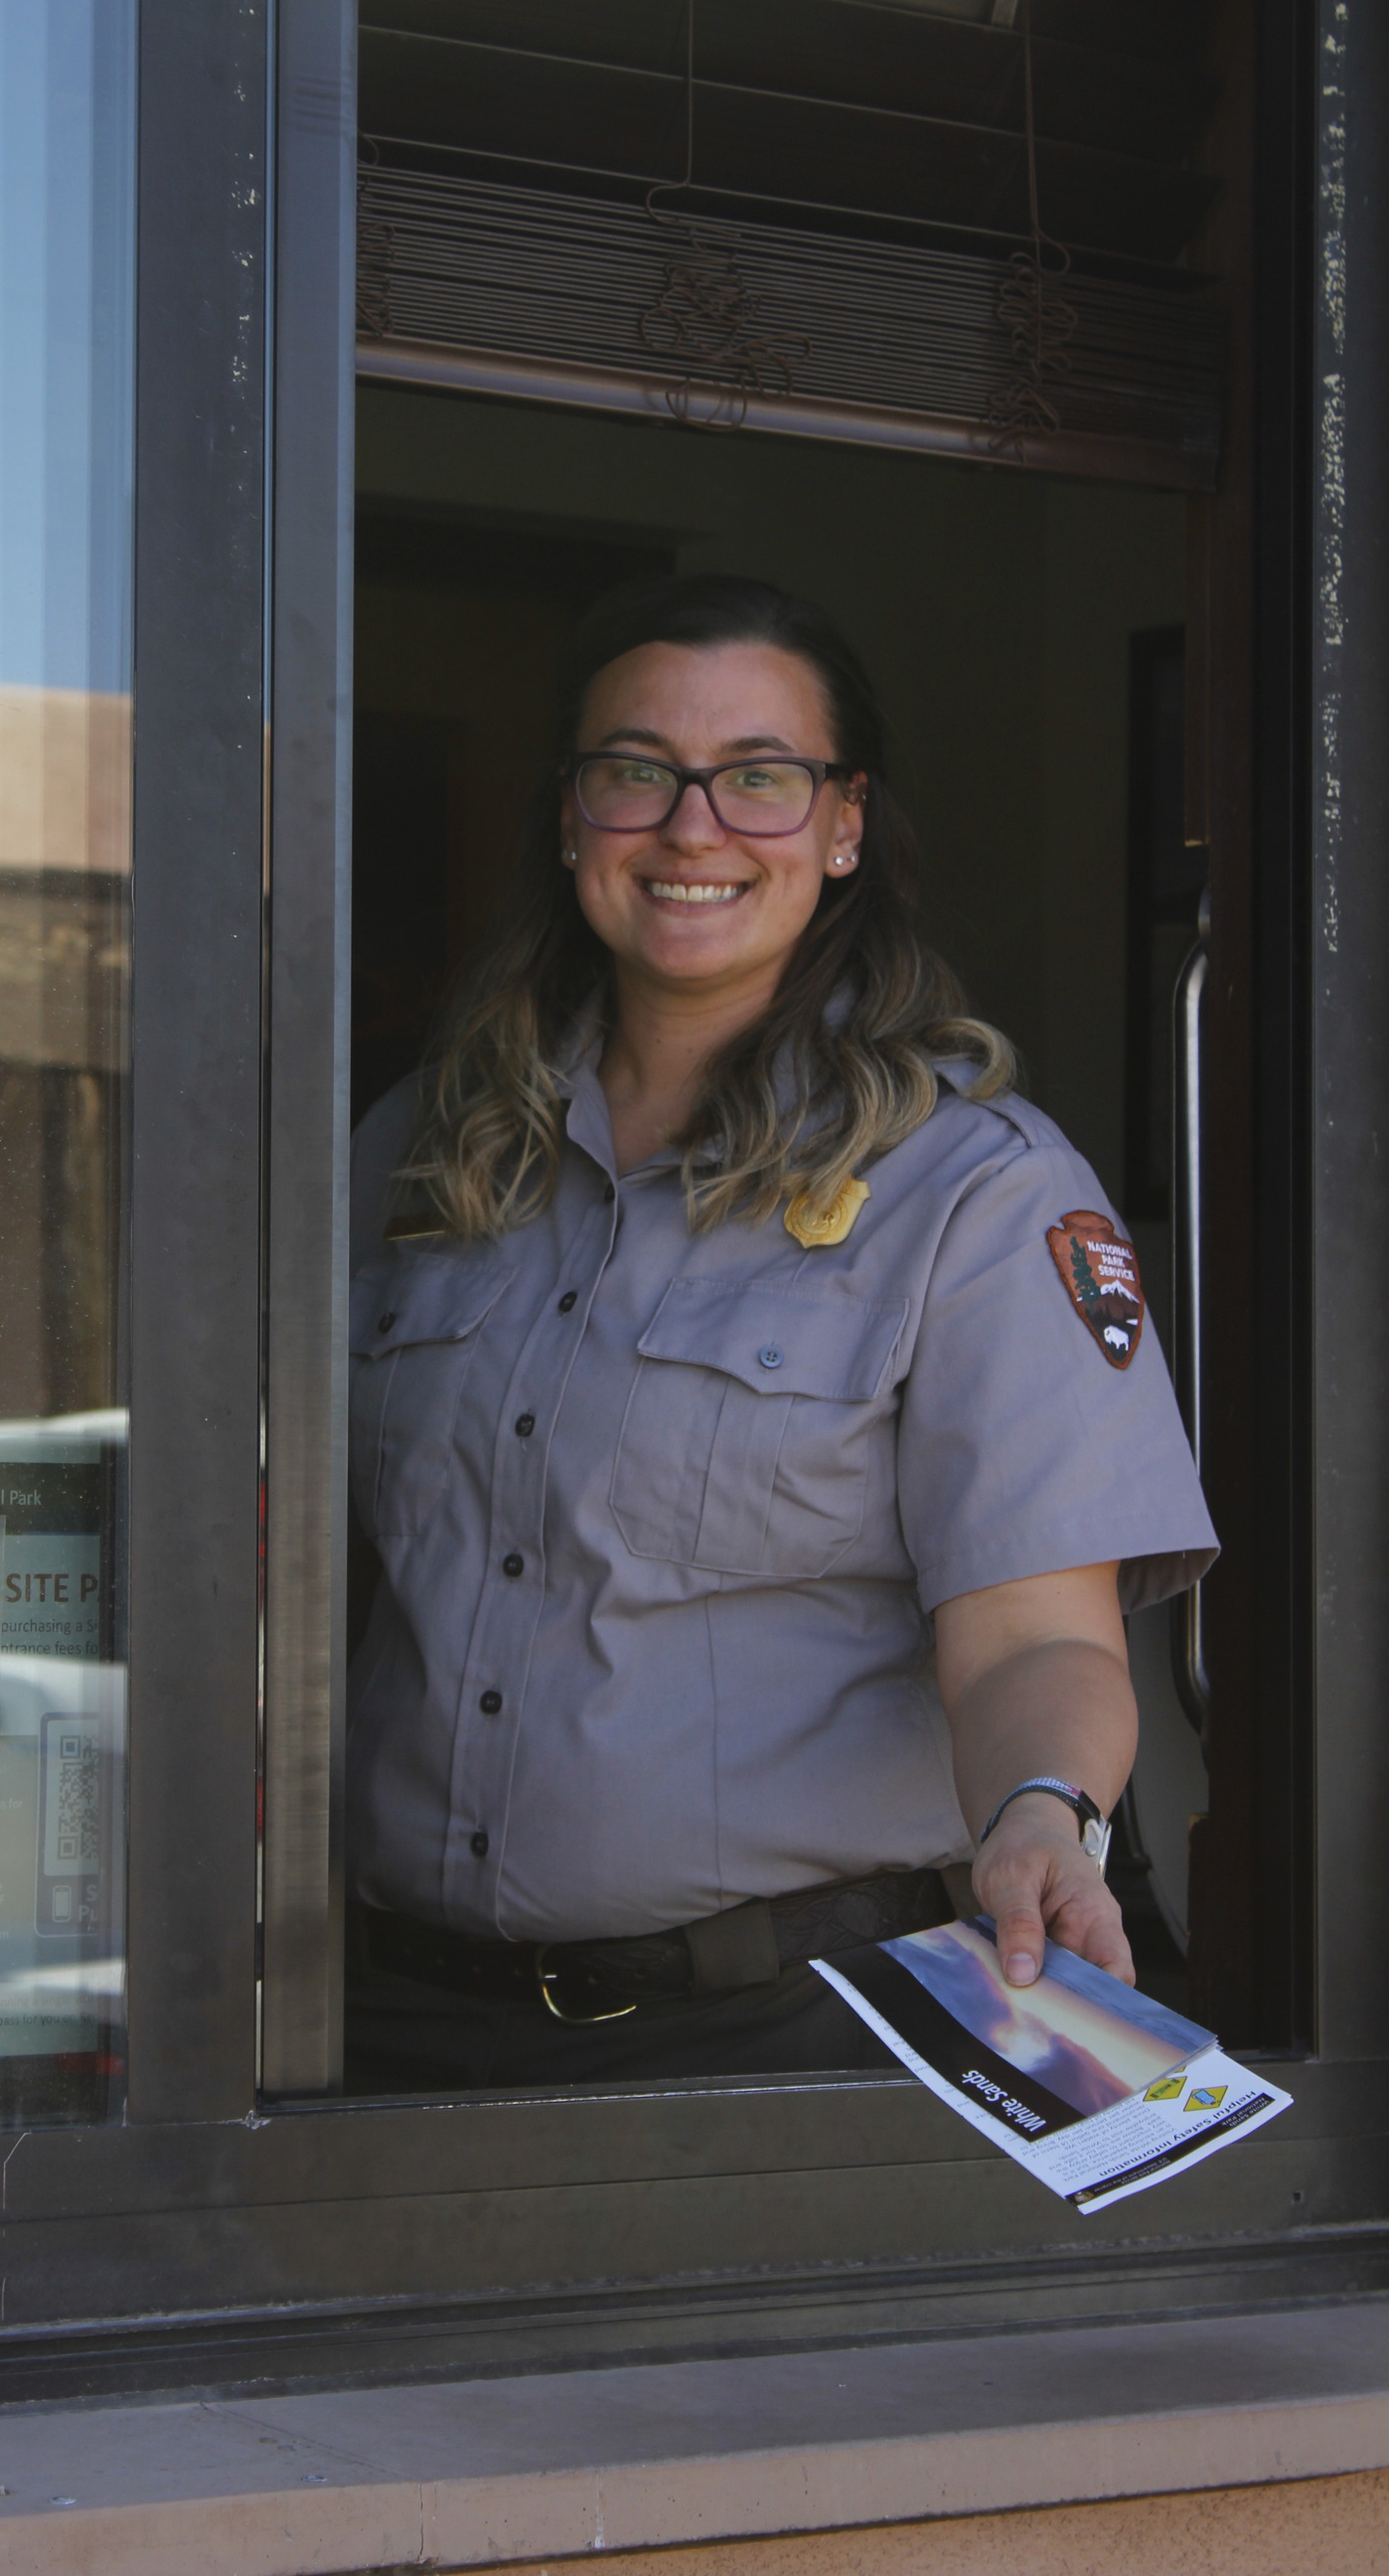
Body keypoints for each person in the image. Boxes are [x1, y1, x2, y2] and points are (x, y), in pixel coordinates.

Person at [344, 573, 1216, 2095]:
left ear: (842, 825)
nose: (694, 828)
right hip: (395, 2023)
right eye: (637, 772)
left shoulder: (976, 1195)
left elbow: (1038, 1636)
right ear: (572, 820)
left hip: (793, 2043)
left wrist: (1039, 1813)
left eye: (760, 778)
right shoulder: (422, 1150)